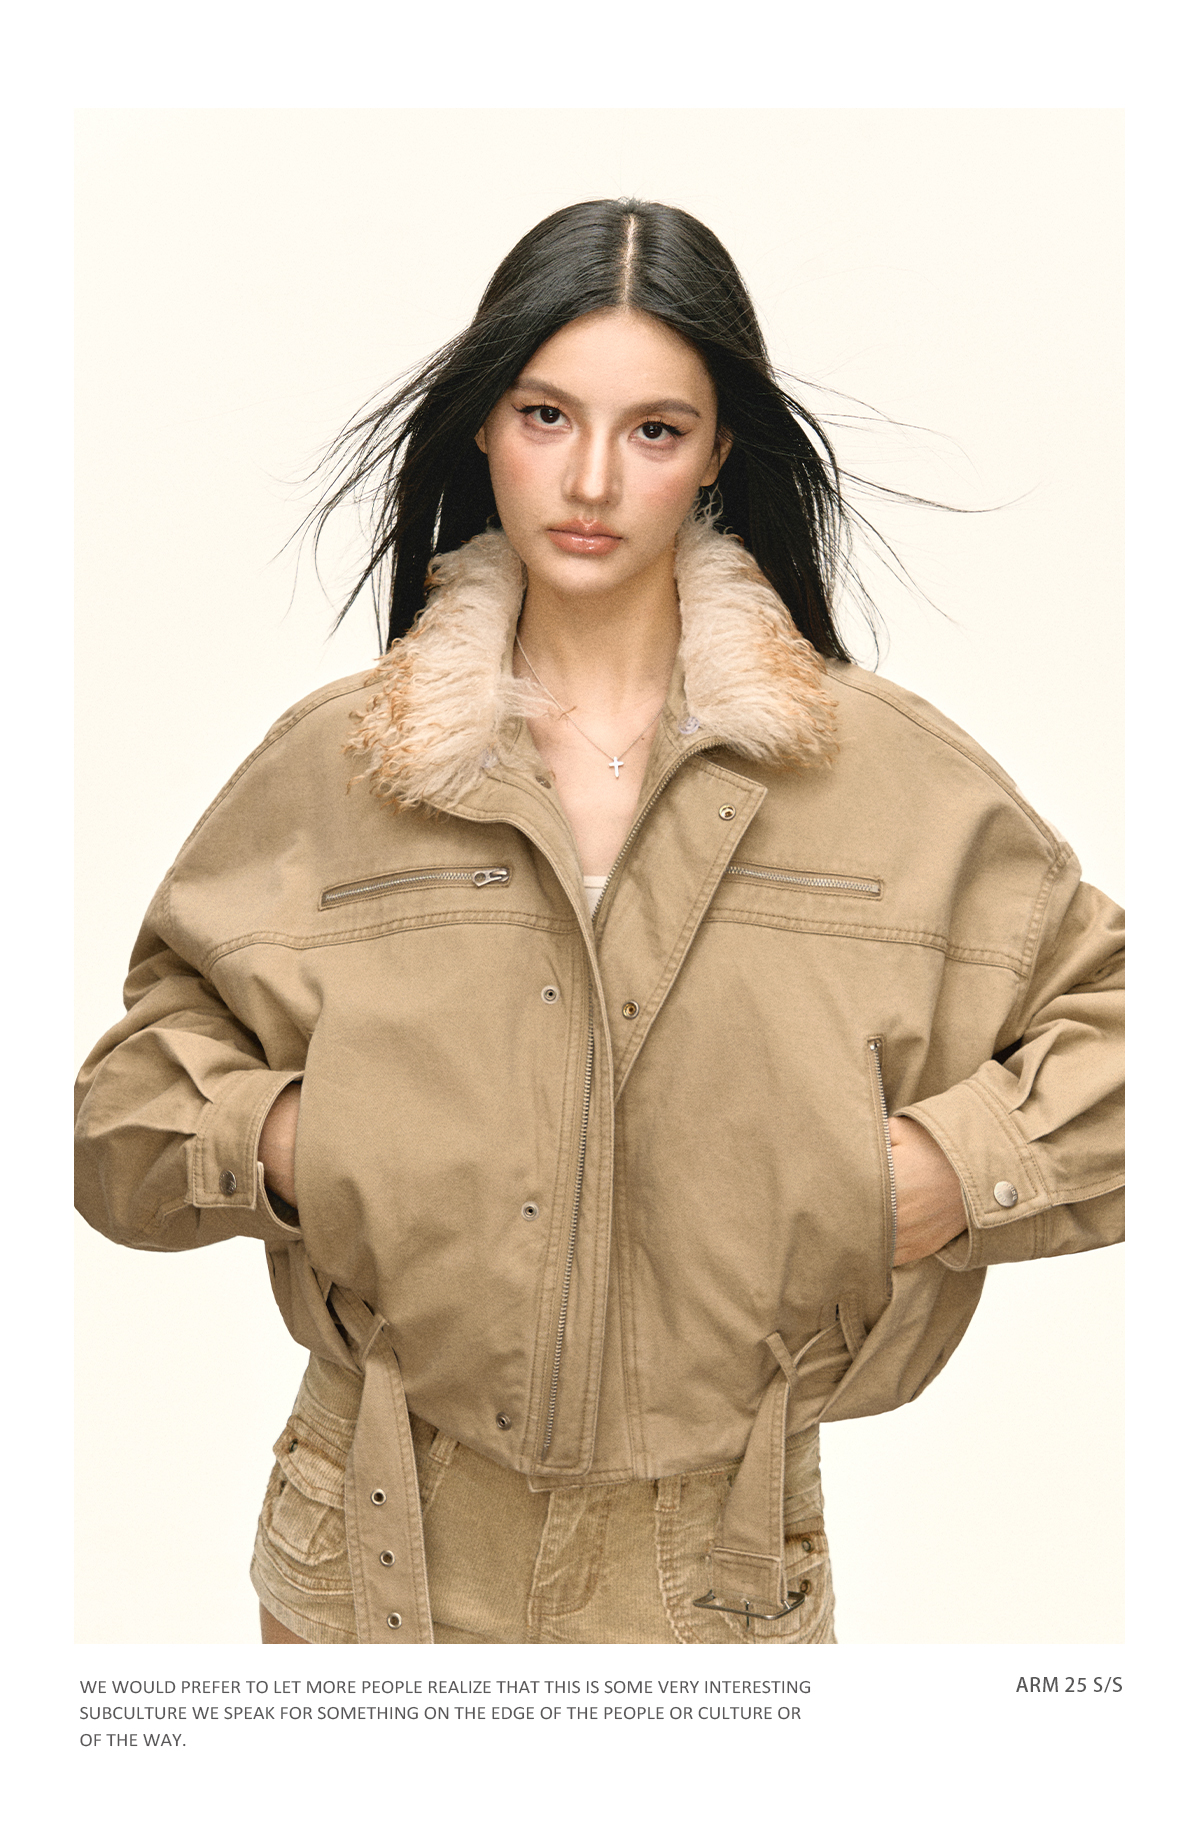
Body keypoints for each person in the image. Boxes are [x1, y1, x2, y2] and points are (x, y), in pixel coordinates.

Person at [74, 198, 1124, 1647]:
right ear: (484, 428)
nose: (589, 478)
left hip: (718, 1569)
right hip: (366, 1547)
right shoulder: (341, 767)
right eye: (546, 414)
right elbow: (119, 1118)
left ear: (720, 453)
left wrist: (941, 1174)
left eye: (654, 430)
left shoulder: (889, 778)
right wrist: (312, 1146)